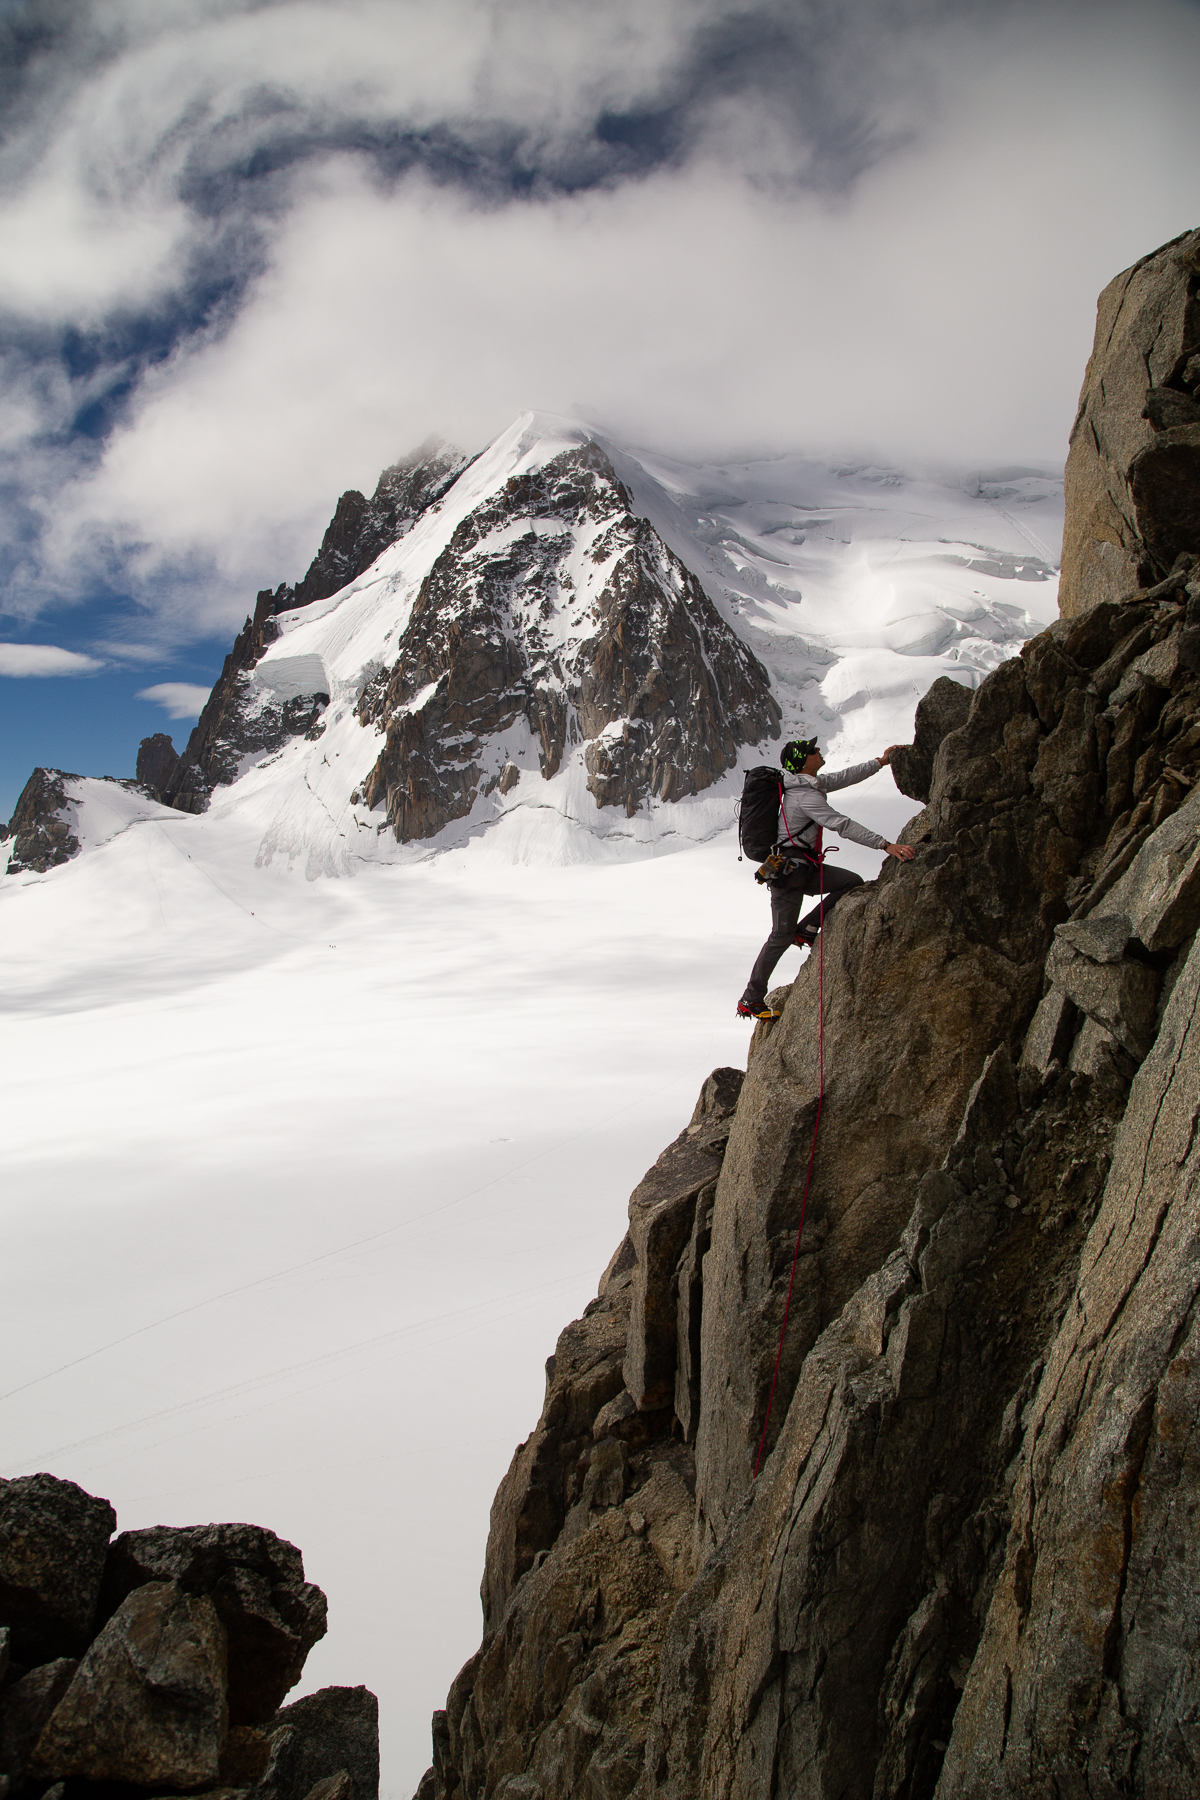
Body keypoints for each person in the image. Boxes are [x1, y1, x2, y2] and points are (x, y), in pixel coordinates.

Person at [737, 737, 916, 1021]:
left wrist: (880, 762)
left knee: (851, 882)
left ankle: (806, 929)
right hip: (790, 874)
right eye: (814, 751)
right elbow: (840, 824)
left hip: (800, 870)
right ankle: (751, 998)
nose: (819, 752)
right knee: (780, 936)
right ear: (804, 760)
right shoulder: (805, 795)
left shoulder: (809, 784)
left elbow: (844, 777)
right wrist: (885, 845)